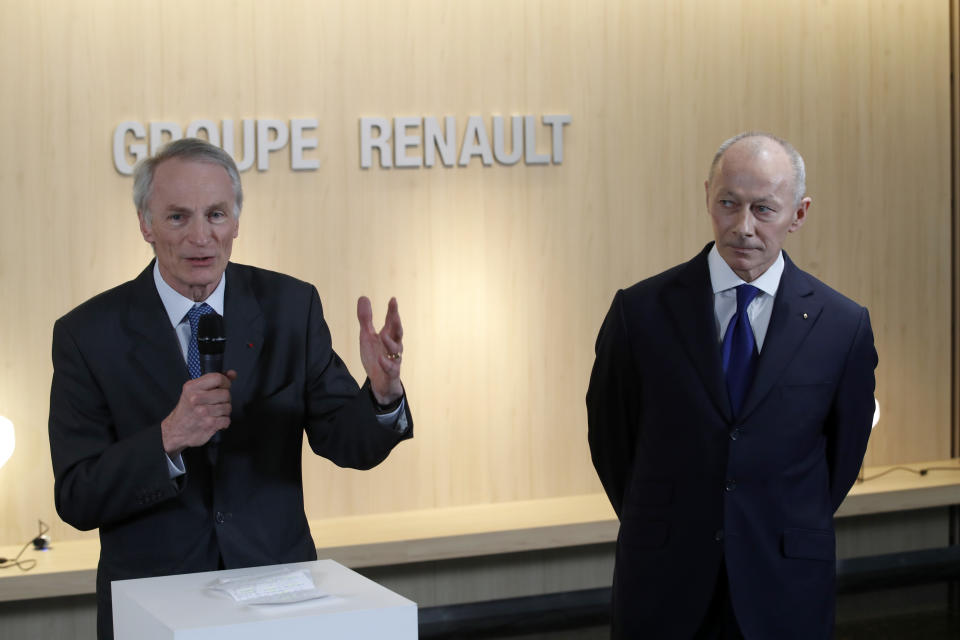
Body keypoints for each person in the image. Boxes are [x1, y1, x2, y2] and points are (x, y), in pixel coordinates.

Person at [48, 138, 413, 639]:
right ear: (145, 225)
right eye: (178, 217)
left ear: (237, 223)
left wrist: (380, 395)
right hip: (155, 611)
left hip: (278, 599)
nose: (201, 236)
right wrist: (167, 439)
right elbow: (76, 497)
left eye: (216, 215)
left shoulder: (291, 306)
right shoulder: (87, 335)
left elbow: (347, 444)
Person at [587, 132, 877, 639]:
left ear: (799, 214)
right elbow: (612, 440)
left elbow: (842, 457)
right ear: (707, 196)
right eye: (729, 204)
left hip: (784, 586)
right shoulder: (641, 313)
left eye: (764, 209)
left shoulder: (842, 326)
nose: (743, 227)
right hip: (663, 584)